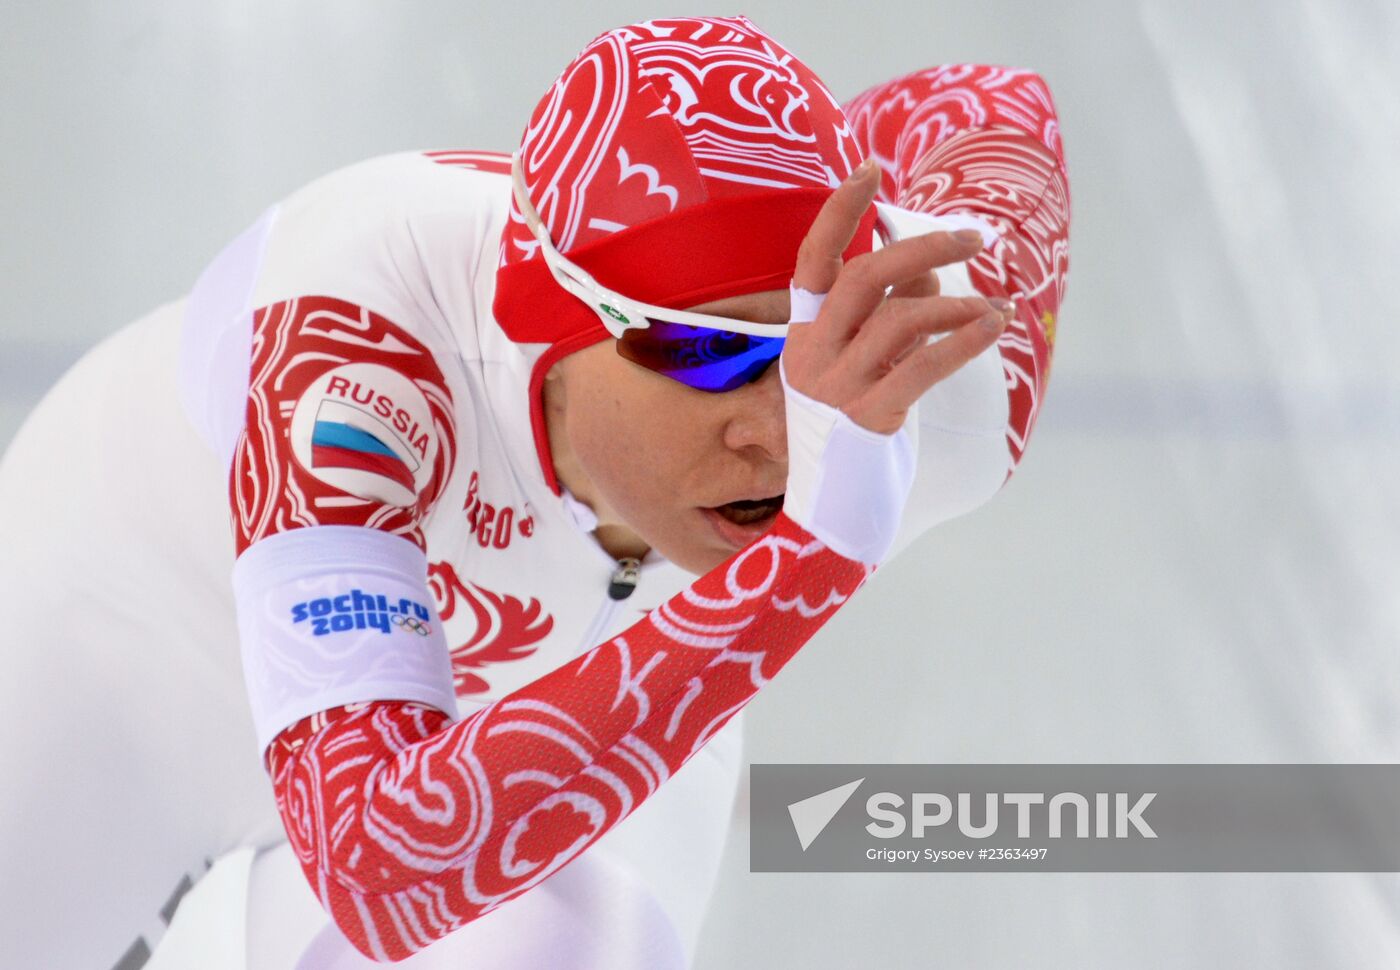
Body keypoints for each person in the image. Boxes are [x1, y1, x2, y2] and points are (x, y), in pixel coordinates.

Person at [0, 15, 1068, 969]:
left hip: (547, 698)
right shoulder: (356, 347)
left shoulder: (921, 378)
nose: (782, 433)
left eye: (808, 349)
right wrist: (811, 560)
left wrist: (808, 195)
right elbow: (377, 863)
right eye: (707, 353)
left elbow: (988, 100)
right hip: (136, 653)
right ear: (543, 315)